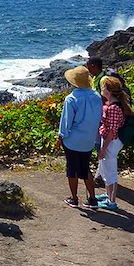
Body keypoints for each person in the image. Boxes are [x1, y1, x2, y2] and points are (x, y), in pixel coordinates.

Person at [56, 66, 102, 209]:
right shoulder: (96, 96)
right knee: (85, 168)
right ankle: (93, 200)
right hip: (89, 140)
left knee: (72, 169)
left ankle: (74, 198)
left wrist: (60, 137)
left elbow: (66, 122)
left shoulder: (71, 99)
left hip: (73, 140)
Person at [94, 76, 134, 210]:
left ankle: (112, 202)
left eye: (104, 87)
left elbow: (112, 131)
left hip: (110, 142)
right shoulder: (113, 104)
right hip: (110, 141)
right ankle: (108, 195)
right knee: (106, 169)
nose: (102, 88)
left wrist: (103, 149)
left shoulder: (112, 108)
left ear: (109, 90)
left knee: (110, 171)